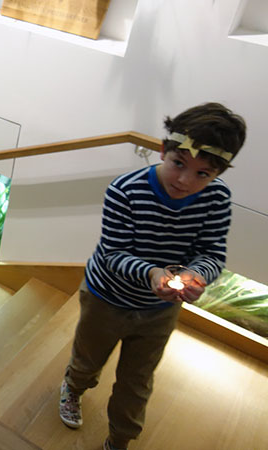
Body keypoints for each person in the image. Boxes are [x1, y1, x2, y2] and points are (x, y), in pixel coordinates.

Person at [59, 103, 247, 450]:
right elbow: (113, 253)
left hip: (159, 311)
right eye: (179, 163)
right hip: (106, 299)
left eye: (203, 174)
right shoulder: (125, 190)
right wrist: (151, 273)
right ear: (163, 150)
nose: (185, 181)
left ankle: (120, 439)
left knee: (138, 379)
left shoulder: (217, 199)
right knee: (88, 358)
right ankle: (74, 387)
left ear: (218, 173)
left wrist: (196, 275)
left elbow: (212, 252)